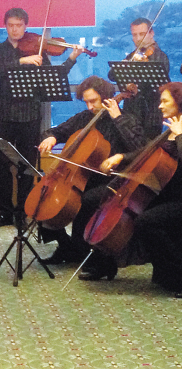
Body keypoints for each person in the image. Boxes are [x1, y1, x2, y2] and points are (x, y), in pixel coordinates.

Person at [0, 7, 84, 228]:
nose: (15, 29)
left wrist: (71, 58)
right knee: (1, 166)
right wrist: (23, 61)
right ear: (5, 26)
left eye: (19, 25)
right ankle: (4, 212)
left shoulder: (40, 51)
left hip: (30, 116)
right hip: (3, 115)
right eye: (11, 25)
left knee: (26, 167)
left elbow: (55, 77)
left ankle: (22, 212)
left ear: (25, 26)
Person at [35, 76, 145, 265]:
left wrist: (117, 118)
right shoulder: (84, 118)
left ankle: (82, 249)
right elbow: (58, 130)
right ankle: (66, 246)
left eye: (92, 101)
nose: (89, 107)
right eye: (86, 102)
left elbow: (141, 148)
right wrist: (51, 137)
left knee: (87, 201)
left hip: (111, 180)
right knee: (43, 196)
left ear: (106, 98)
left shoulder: (126, 119)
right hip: (81, 176)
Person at [98, 82, 182, 296]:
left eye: (164, 101)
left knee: (147, 221)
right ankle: (106, 263)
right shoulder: (171, 127)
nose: (160, 107)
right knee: (114, 200)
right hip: (165, 193)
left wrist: (180, 136)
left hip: (178, 199)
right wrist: (121, 157)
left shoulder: (177, 130)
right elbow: (147, 152)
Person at [109, 17, 169, 140]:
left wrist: (143, 65)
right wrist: (126, 69)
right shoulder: (132, 56)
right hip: (131, 111)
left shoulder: (161, 56)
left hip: (152, 113)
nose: (138, 39)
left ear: (151, 33)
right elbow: (112, 75)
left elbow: (156, 81)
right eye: (134, 35)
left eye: (142, 34)